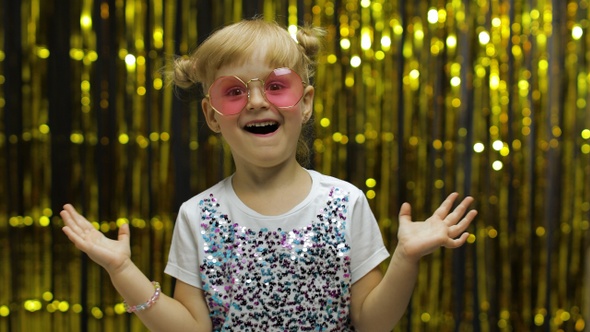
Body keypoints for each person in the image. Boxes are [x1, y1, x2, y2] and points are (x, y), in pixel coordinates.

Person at [61, 18, 478, 332]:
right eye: (235, 91)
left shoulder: (344, 203)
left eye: (277, 86)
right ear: (211, 114)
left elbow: (372, 323)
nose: (257, 101)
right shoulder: (198, 215)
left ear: (306, 103)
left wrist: (405, 258)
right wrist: (122, 271)